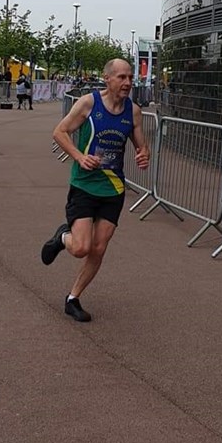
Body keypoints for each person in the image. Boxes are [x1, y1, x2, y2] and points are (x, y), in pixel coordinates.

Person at [40, 58, 150, 322]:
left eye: (130, 77)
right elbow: (60, 132)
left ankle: (73, 298)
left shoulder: (133, 111)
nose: (127, 83)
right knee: (80, 248)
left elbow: (141, 146)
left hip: (113, 188)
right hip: (85, 185)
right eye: (121, 77)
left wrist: (144, 154)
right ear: (107, 78)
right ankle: (62, 238)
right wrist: (79, 157)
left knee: (98, 249)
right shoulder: (89, 103)